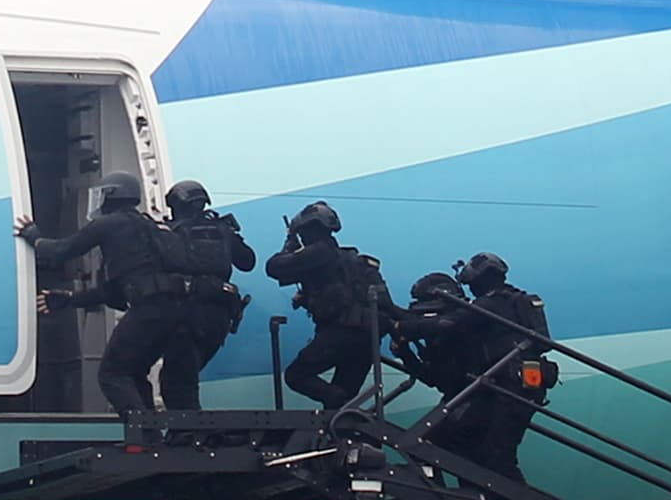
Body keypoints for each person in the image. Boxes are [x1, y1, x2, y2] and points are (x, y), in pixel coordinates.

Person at [17, 174, 210, 420]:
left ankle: (144, 435)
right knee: (136, 371)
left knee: (112, 374)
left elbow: (61, 251)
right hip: (176, 311)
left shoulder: (109, 224)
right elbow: (113, 292)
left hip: (149, 310)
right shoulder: (148, 226)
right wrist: (69, 299)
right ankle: (150, 435)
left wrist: (33, 235)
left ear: (111, 195)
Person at [264, 201, 395, 409]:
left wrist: (290, 243)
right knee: (338, 410)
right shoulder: (348, 258)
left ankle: (345, 407)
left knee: (296, 375)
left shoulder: (319, 252)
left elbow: (274, 267)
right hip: (367, 339)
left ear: (307, 230)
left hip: (340, 333)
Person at [450, 251, 556, 482]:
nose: (471, 291)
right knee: (476, 445)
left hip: (511, 387)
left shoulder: (490, 304)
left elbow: (452, 324)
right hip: (519, 386)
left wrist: (398, 323)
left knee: (498, 457)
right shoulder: (515, 300)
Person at [154, 179, 255, 411]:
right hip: (218, 318)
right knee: (185, 378)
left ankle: (190, 436)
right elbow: (248, 261)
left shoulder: (170, 233)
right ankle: (188, 433)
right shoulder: (223, 230)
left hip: (185, 316)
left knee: (177, 383)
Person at [389, 271, 489, 465]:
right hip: (460, 399)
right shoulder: (442, 333)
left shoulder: (461, 327)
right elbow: (434, 379)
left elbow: (446, 373)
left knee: (422, 446)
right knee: (465, 459)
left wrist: (403, 328)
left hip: (474, 401)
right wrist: (405, 353)